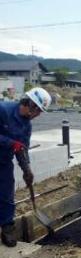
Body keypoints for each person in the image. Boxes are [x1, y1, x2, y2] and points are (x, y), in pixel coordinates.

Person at [0, 87, 51, 247]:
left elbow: (22, 149)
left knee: (7, 195)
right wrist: (10, 143)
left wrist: (26, 170)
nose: (39, 115)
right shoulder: (3, 110)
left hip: (3, 162)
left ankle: (7, 230)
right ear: (31, 105)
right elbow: (14, 144)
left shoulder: (26, 125)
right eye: (39, 111)